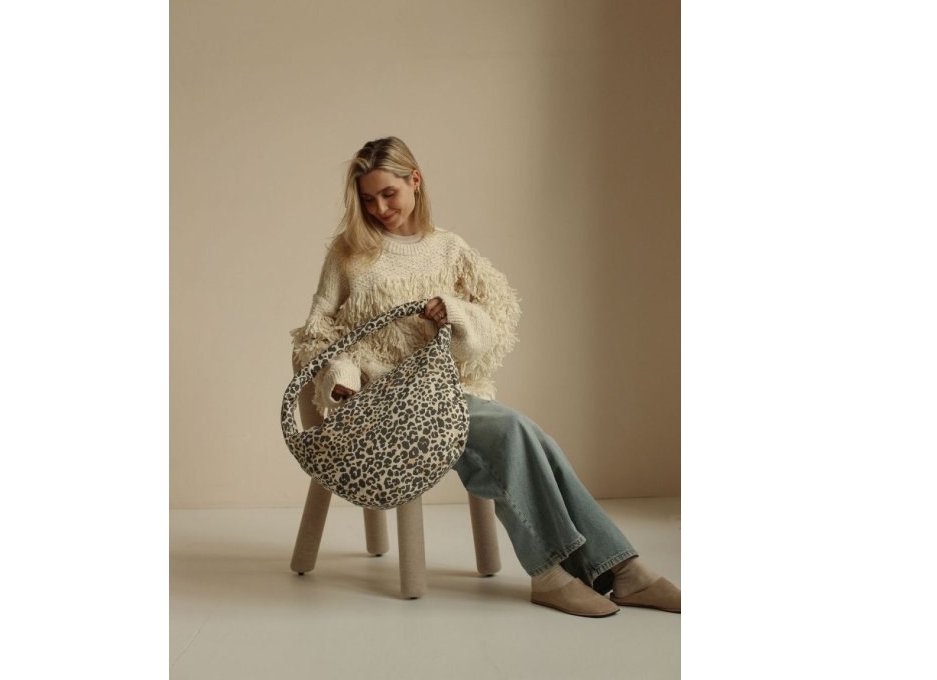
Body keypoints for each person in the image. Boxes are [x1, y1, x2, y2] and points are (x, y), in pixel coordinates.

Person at [290, 136, 680, 617]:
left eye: (389, 193)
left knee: (530, 438)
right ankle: (572, 573)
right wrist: (341, 376)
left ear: (415, 181)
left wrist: (454, 313)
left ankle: (619, 570)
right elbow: (317, 335)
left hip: (441, 393)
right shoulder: (348, 253)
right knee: (513, 431)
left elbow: (493, 325)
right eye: (369, 199)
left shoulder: (450, 249)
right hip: (379, 407)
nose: (380, 209)